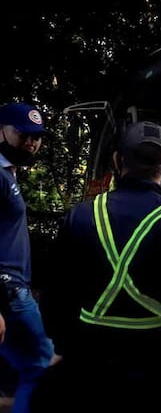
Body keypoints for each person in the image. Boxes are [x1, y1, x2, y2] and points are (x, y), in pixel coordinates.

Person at [31, 122, 161, 413]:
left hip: (90, 363)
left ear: (117, 160)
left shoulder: (81, 217)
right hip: (158, 364)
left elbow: (56, 293)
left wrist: (62, 346)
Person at [0, 102, 54, 413]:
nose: (31, 143)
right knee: (41, 365)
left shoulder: (8, 174)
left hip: (14, 290)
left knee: (29, 367)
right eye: (23, 135)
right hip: (9, 293)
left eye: (36, 137)